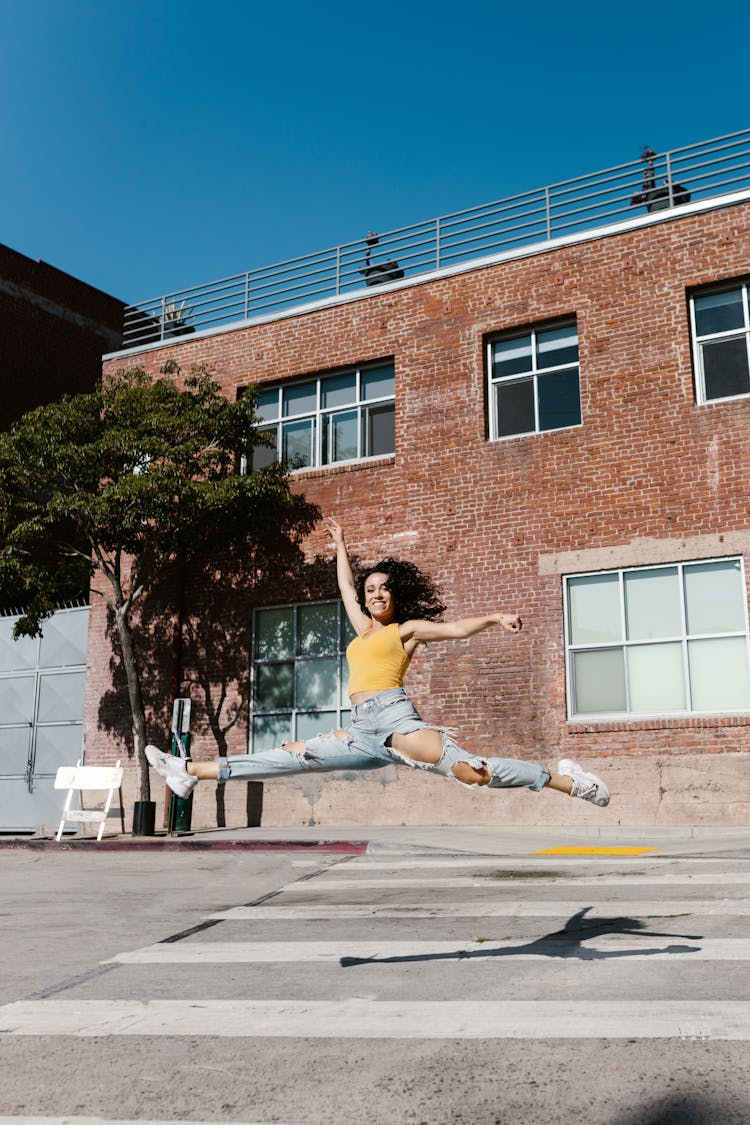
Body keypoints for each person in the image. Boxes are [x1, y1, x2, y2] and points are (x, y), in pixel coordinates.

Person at [146, 517, 609, 807]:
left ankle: (568, 782)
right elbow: (346, 587)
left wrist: (493, 618)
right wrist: (343, 543)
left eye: (384, 588)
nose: (375, 593)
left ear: (395, 596)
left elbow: (453, 629)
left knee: (475, 774)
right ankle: (189, 773)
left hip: (395, 721)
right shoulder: (362, 628)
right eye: (371, 590)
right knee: (295, 757)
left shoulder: (402, 632)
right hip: (361, 730)